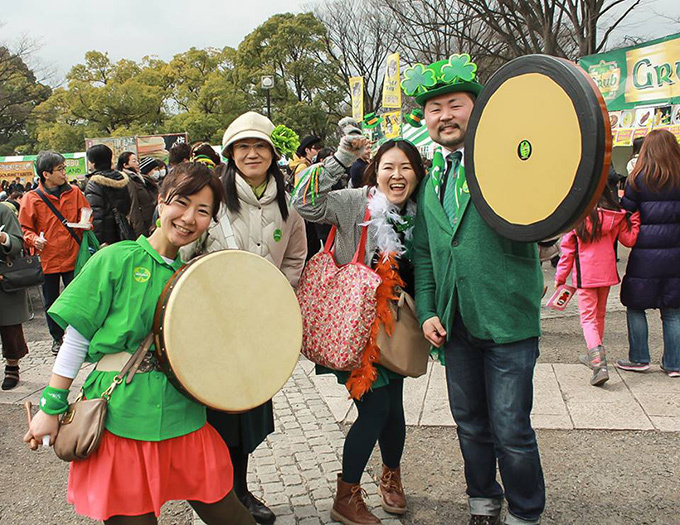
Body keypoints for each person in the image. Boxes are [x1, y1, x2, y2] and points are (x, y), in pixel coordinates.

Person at [24, 163, 256, 525]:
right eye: (182, 202)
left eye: (203, 210)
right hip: (121, 418)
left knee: (234, 518)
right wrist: (50, 408)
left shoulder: (196, 275)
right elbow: (76, 339)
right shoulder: (115, 258)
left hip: (183, 415)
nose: (189, 218)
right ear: (161, 202)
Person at [408, 55, 545, 525]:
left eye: (455, 104)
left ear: (478, 107)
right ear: (423, 120)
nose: (444, 115)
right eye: (433, 108)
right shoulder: (428, 184)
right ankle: (482, 500)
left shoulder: (509, 163)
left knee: (511, 428)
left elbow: (546, 211)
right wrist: (427, 308)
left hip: (508, 318)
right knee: (470, 425)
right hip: (454, 322)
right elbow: (424, 255)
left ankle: (526, 512)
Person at [292, 127, 427, 525]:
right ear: (375, 172)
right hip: (352, 328)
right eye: (389, 167)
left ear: (418, 175)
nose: (397, 175)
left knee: (394, 408)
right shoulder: (357, 204)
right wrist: (341, 157)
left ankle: (391, 477)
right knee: (376, 407)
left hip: (397, 328)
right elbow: (305, 201)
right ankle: (346, 495)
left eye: (406, 168)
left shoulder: (423, 212)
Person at [181, 111, 307, 524]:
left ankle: (239, 490)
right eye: (243, 146)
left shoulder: (288, 210)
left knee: (246, 419)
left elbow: (295, 257)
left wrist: (275, 294)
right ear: (230, 153)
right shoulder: (211, 200)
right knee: (214, 418)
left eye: (260, 146)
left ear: (272, 154)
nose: (251, 154)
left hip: (256, 334)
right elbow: (182, 250)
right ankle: (220, 496)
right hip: (208, 330)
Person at [555, 186, 640, 386]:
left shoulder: (578, 218)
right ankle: (594, 353)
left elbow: (567, 252)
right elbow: (629, 240)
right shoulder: (615, 216)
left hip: (586, 276)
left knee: (588, 320)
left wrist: (560, 278)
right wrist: (635, 219)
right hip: (607, 274)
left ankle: (598, 363)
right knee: (599, 316)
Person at [615, 130, 680, 378]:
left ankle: (639, 358)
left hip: (645, 253)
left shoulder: (638, 178)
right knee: (673, 309)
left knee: (635, 304)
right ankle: (674, 364)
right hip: (676, 253)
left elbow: (626, 211)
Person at [19, 151, 91, 356]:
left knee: (78, 298)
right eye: (60, 169)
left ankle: (81, 336)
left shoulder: (75, 192)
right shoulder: (31, 198)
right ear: (46, 174)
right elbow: (24, 229)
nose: (64, 173)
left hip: (73, 255)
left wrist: (86, 223)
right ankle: (57, 338)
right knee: (51, 301)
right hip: (47, 259)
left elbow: (87, 214)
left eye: (64, 168)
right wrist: (34, 240)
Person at [0, 203, 31, 390]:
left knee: (10, 329)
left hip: (4, 279)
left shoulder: (3, 211)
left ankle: (12, 366)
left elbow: (18, 243)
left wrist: (4, 237)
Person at [85, 144, 133, 245]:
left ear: (93, 163)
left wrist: (98, 242)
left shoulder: (94, 183)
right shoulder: (122, 179)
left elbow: (96, 216)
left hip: (106, 238)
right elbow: (127, 206)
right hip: (123, 231)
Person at [124, 155, 160, 238]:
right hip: (144, 227)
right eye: (134, 161)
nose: (137, 164)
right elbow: (135, 208)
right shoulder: (132, 182)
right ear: (125, 164)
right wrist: (140, 234)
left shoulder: (145, 182)